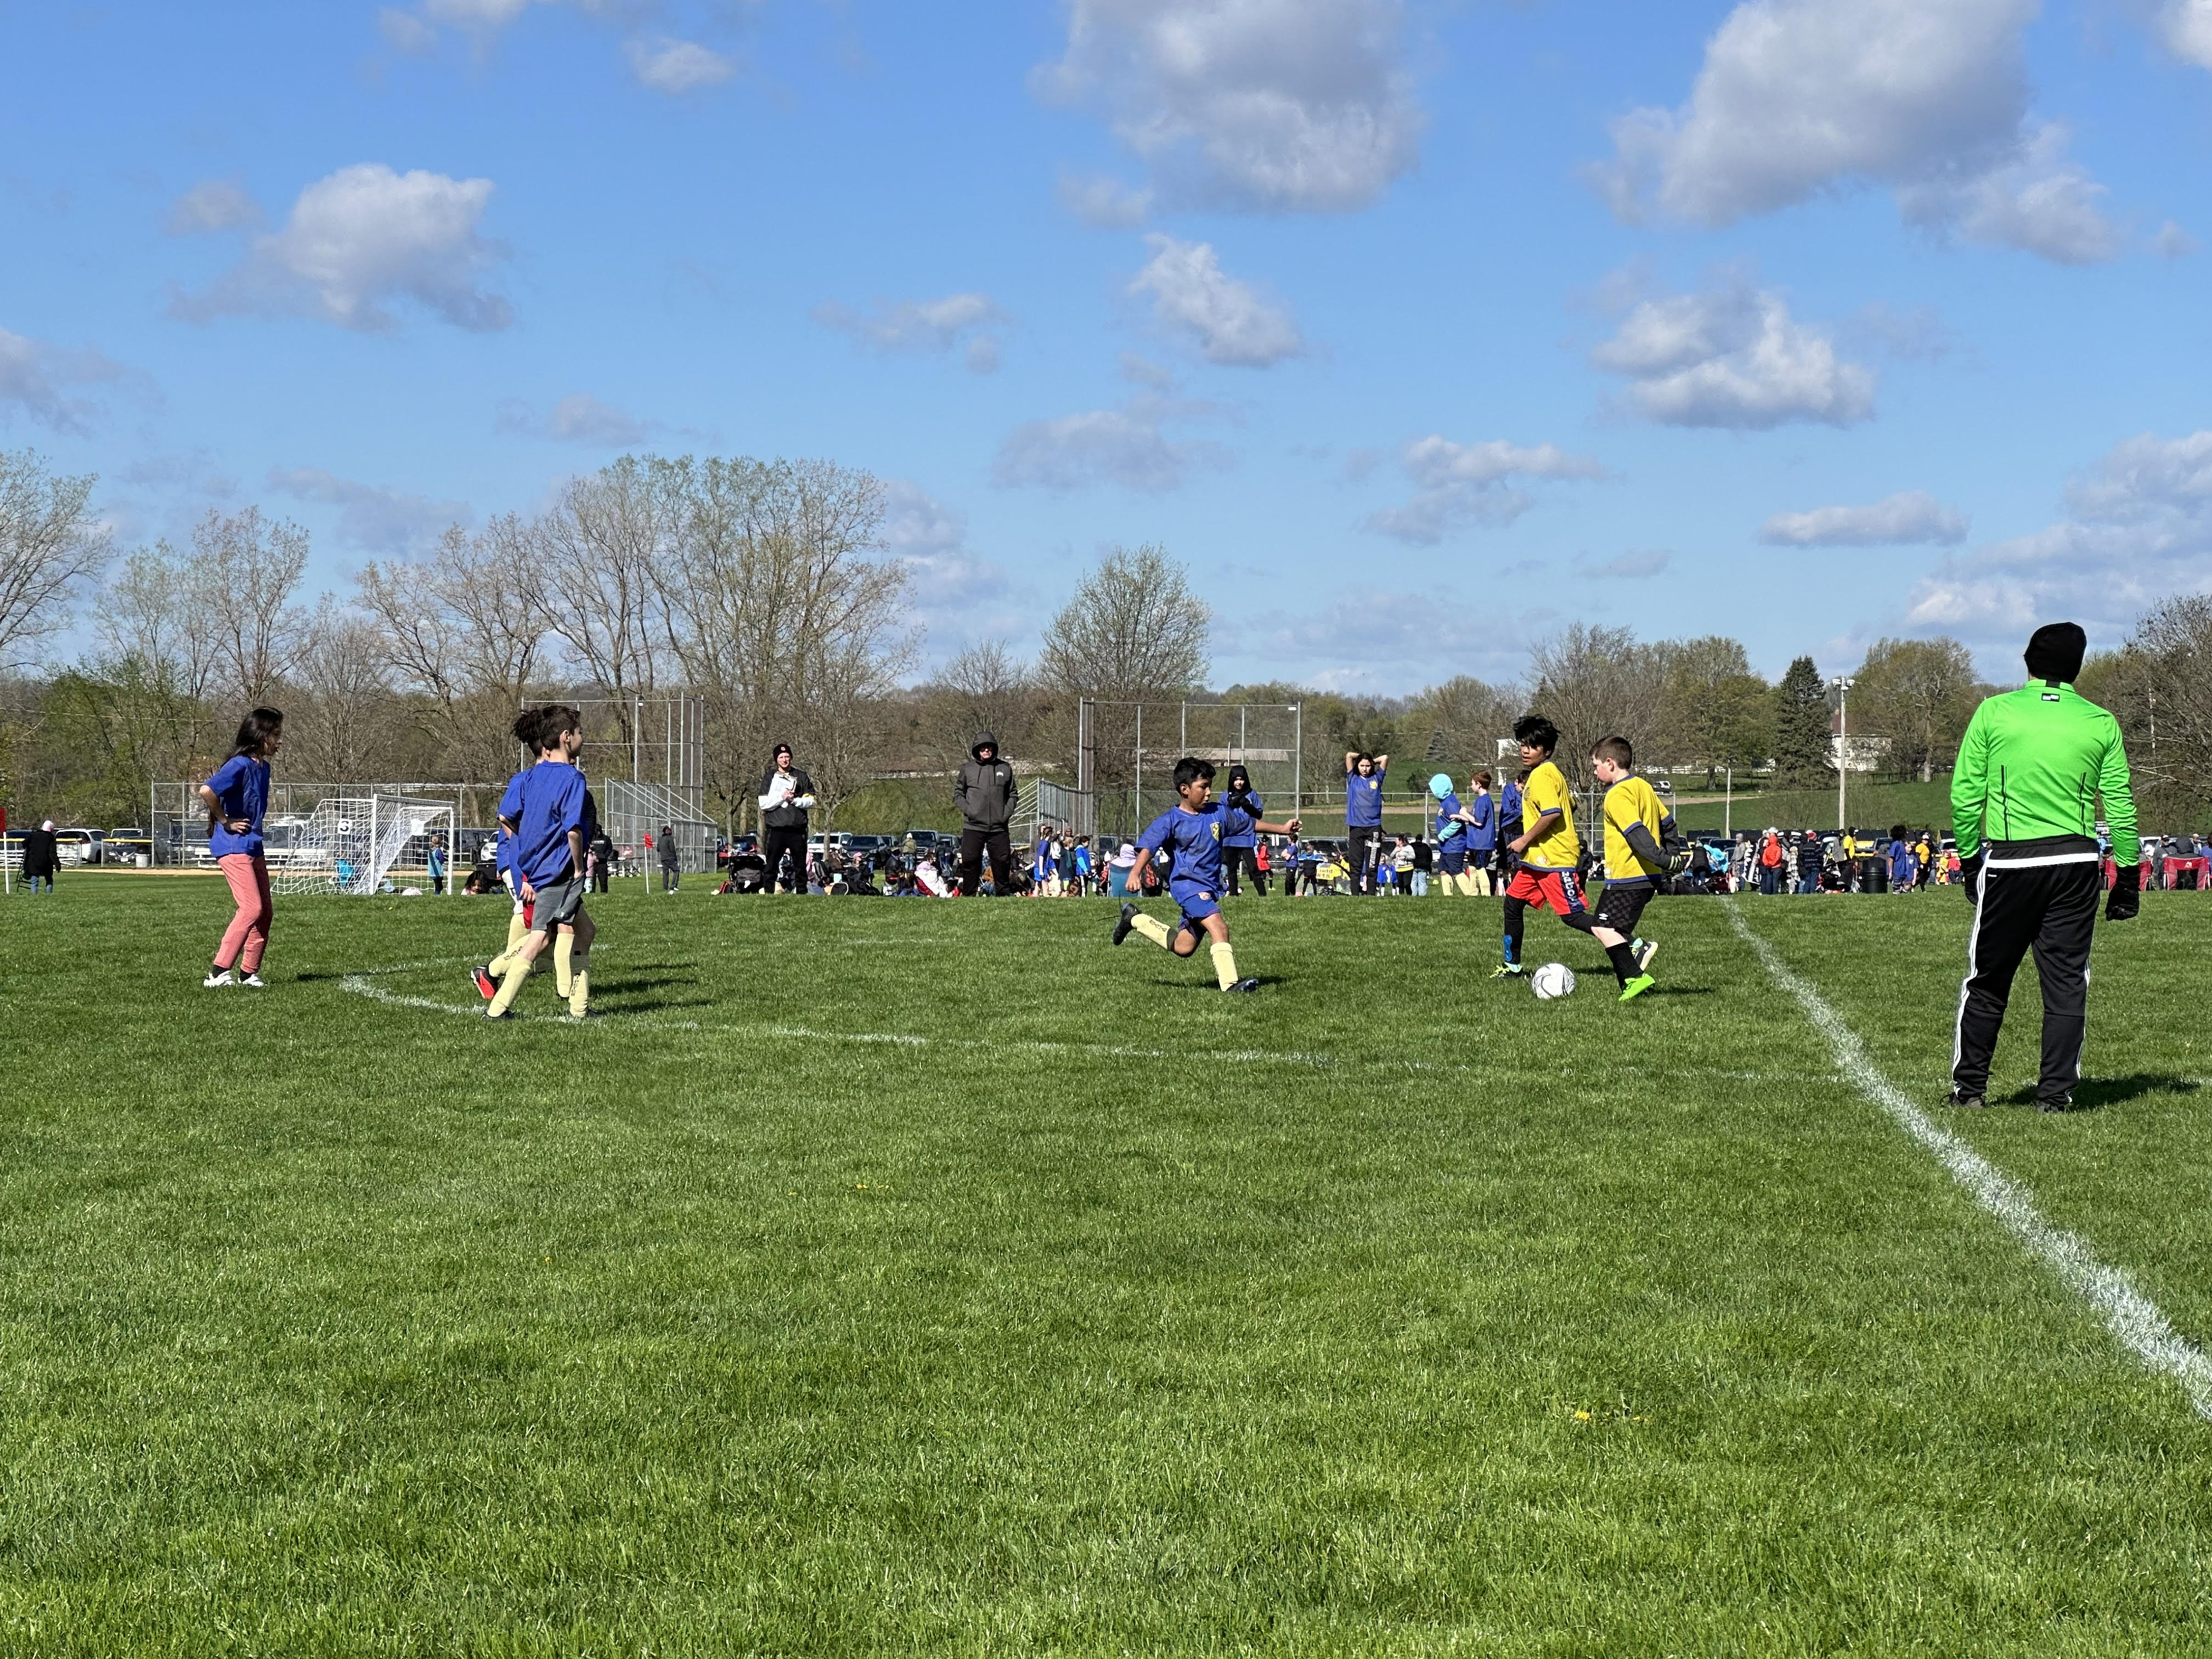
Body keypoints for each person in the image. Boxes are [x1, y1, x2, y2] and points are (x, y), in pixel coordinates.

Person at [1949, 622, 2138, 1113]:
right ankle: (2055, 1096)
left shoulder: (1994, 713)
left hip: (2013, 860)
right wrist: (2130, 877)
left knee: (1988, 980)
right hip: (2076, 863)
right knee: (2067, 982)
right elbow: (2119, 803)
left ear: (2028, 662)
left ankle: (1970, 1091)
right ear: (2076, 667)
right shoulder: (2100, 722)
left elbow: (1966, 795)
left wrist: (1970, 861)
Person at [1111, 756, 1301, 993]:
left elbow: (1249, 824)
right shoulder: (1170, 821)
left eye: (1210, 786)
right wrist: (1135, 873)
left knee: (1184, 947)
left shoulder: (1218, 813)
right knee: (1219, 927)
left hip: (1209, 888)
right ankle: (1231, 985)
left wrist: (1282, 829)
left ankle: (1133, 919)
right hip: (1188, 886)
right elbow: (1148, 847)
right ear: (1184, 789)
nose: (1209, 792)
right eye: (1203, 787)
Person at [478, 705, 595, 1021]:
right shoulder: (573, 779)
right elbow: (573, 829)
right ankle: (500, 1006)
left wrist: (532, 845)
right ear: (566, 738)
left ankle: (577, 1005)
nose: (584, 738)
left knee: (580, 930)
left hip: (535, 869)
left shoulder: (530, 777)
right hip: (559, 872)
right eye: (580, 733)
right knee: (543, 938)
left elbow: (507, 817)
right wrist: (579, 867)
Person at [1569, 735, 1671, 1000]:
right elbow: (1667, 823)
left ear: (1611, 764)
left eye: (1596, 765)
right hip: (1647, 876)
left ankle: (1634, 979)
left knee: (1604, 928)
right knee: (1617, 929)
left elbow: (1636, 834)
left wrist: (1663, 858)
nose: (1594, 771)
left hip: (1628, 876)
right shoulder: (1644, 787)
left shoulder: (1616, 795)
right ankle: (1638, 954)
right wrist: (1669, 859)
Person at [198, 707, 283, 989]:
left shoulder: (263, 767)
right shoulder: (239, 764)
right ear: (261, 735)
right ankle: (218, 972)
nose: (279, 741)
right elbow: (207, 790)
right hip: (233, 846)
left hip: (253, 845)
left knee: (265, 912)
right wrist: (225, 820)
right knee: (251, 908)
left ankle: (249, 974)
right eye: (276, 735)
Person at [1494, 715, 1584, 979]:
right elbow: (1571, 804)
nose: (1525, 750)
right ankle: (1513, 968)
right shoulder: (1546, 774)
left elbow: (1553, 812)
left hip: (1554, 859)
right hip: (1536, 861)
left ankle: (1630, 943)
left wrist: (1523, 840)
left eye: (1532, 746)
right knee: (1512, 904)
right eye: (1523, 744)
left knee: (1572, 916)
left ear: (1547, 750)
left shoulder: (1544, 774)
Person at [954, 732, 1019, 896]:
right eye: (982, 747)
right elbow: (958, 794)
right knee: (969, 861)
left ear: (994, 748)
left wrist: (1005, 814)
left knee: (1002, 862)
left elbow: (1013, 794)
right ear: (977, 750)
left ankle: (1003, 895)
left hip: (999, 827)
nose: (986, 750)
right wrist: (970, 811)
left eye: (989, 747)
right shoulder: (967, 769)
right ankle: (969, 896)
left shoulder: (1005, 768)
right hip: (973, 826)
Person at [758, 744, 815, 894]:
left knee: (800, 866)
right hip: (775, 829)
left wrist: (794, 800)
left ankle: (802, 893)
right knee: (771, 865)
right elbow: (763, 803)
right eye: (781, 758)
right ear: (776, 760)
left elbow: (811, 801)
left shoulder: (801, 776)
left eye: (787, 757)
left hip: (797, 830)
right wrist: (782, 797)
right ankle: (769, 892)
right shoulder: (769, 777)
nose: (785, 760)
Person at [1344, 751, 1389, 895]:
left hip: (1373, 828)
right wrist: (1361, 758)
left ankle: (1371, 895)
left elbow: (1385, 758)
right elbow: (1349, 756)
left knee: (1372, 865)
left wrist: (1371, 760)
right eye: (1362, 765)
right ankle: (1355, 895)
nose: (1365, 768)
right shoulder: (1353, 779)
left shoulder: (1377, 778)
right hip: (1356, 827)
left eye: (1368, 766)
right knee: (1356, 864)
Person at [1220, 764, 1267, 896]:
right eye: (1236, 779)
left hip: (1246, 837)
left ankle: (1263, 896)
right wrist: (1232, 804)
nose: (1239, 782)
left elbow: (1259, 815)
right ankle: (1234, 895)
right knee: (1232, 869)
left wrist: (1247, 806)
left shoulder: (1252, 794)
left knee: (1253, 868)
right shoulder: (1225, 795)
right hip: (1230, 838)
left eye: (1241, 779)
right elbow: (1221, 815)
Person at [1463, 770, 1497, 896]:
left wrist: (1465, 814)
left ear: (1479, 784)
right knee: (1472, 867)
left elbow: (1478, 822)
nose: (1471, 786)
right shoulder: (1483, 801)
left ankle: (1486, 893)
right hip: (1475, 842)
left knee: (1480, 868)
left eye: (1472, 783)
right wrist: (1462, 816)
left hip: (1481, 842)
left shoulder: (1483, 801)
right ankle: (1473, 892)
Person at [20, 819, 58, 895]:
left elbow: (24, 844)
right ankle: (48, 895)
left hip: (34, 861)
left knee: (34, 880)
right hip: (46, 862)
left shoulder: (33, 835)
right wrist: (57, 864)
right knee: (49, 880)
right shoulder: (51, 838)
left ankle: (34, 896)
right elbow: (52, 853)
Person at [658, 822, 681, 893]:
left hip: (663, 858)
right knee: (676, 870)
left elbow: (658, 849)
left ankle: (665, 887)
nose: (670, 832)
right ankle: (674, 885)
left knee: (665, 873)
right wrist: (675, 858)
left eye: (671, 830)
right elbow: (672, 849)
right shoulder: (670, 838)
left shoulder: (661, 839)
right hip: (670, 858)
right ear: (665, 832)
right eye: (669, 831)